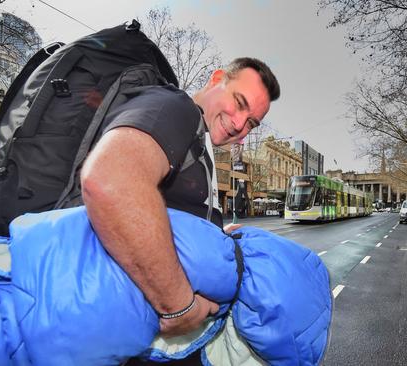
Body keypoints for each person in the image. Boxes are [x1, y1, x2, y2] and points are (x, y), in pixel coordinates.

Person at [80, 57, 280, 364]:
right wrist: (179, 306)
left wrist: (212, 235)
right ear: (216, 80)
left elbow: (163, 213)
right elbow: (110, 180)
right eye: (239, 103)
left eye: (252, 122)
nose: (240, 124)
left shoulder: (200, 144)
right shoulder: (176, 108)